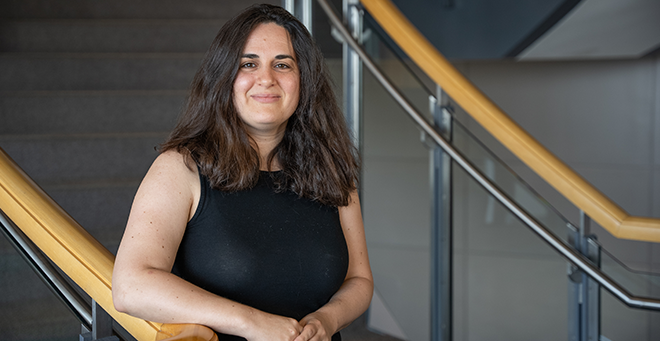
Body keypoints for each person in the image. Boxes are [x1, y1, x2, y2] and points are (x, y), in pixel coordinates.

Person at [111, 4, 373, 341]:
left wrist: (327, 320)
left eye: (283, 64)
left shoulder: (331, 169)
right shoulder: (182, 167)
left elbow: (359, 279)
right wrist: (251, 323)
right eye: (248, 64)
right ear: (224, 78)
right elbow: (131, 285)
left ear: (304, 80)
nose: (266, 78)